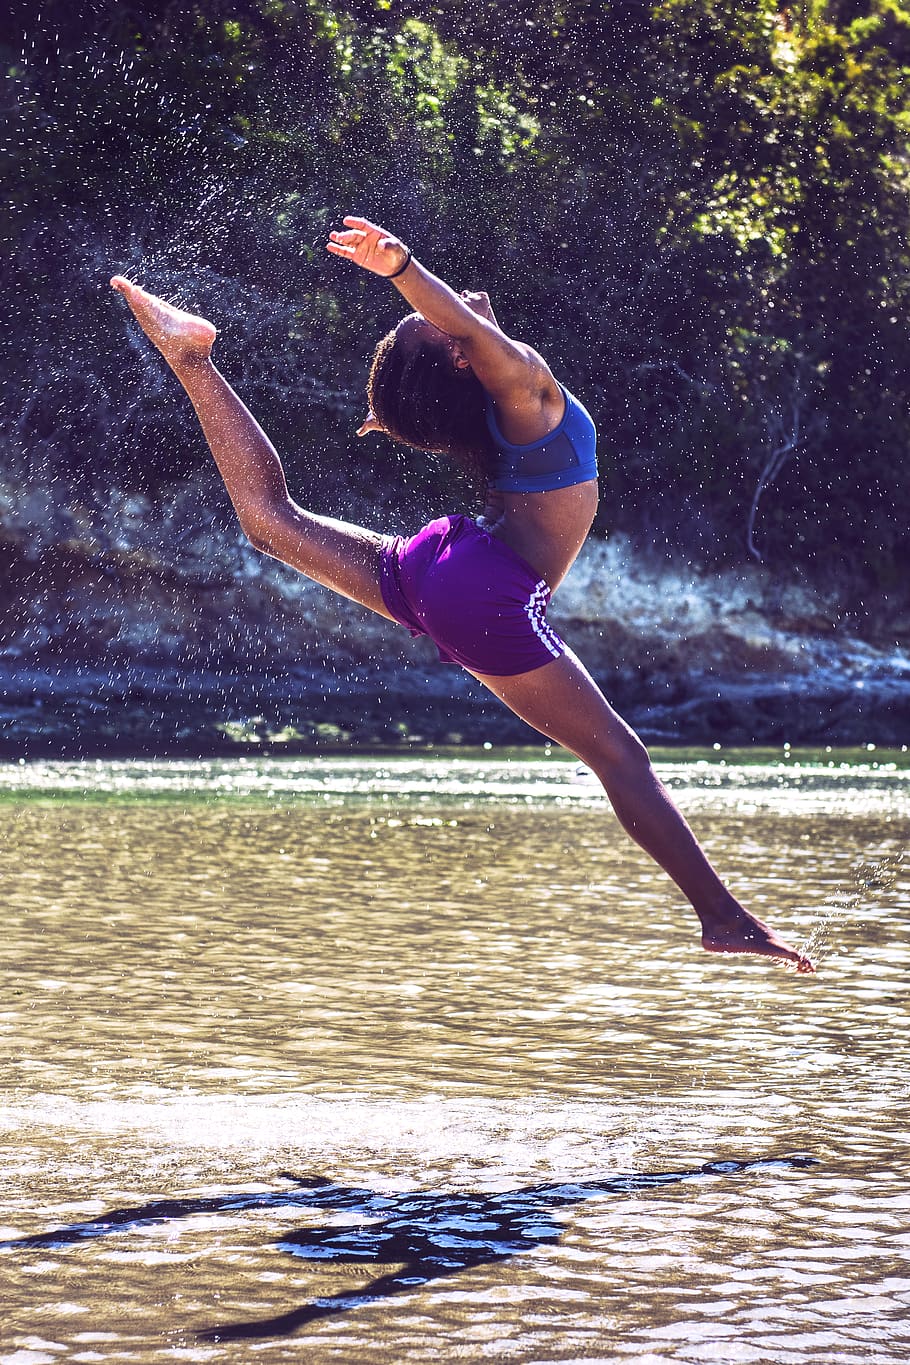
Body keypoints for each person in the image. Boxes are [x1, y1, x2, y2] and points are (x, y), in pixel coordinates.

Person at [110, 215, 814, 972]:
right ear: (457, 351)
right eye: (433, 319)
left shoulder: (507, 417)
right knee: (619, 755)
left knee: (272, 522)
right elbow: (467, 331)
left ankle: (191, 362)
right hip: (480, 586)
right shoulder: (525, 388)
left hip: (444, 563)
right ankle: (723, 917)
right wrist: (400, 269)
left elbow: (452, 347)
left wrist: (408, 323)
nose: (452, 305)